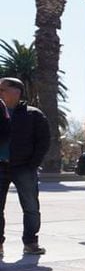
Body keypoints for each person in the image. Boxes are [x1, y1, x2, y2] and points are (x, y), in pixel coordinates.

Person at [0, 77, 50, 256]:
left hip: (24, 167)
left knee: (30, 207)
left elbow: (43, 141)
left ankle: (30, 243)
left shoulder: (33, 114)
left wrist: (33, 164)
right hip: (1, 166)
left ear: (16, 91)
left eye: (2, 89)